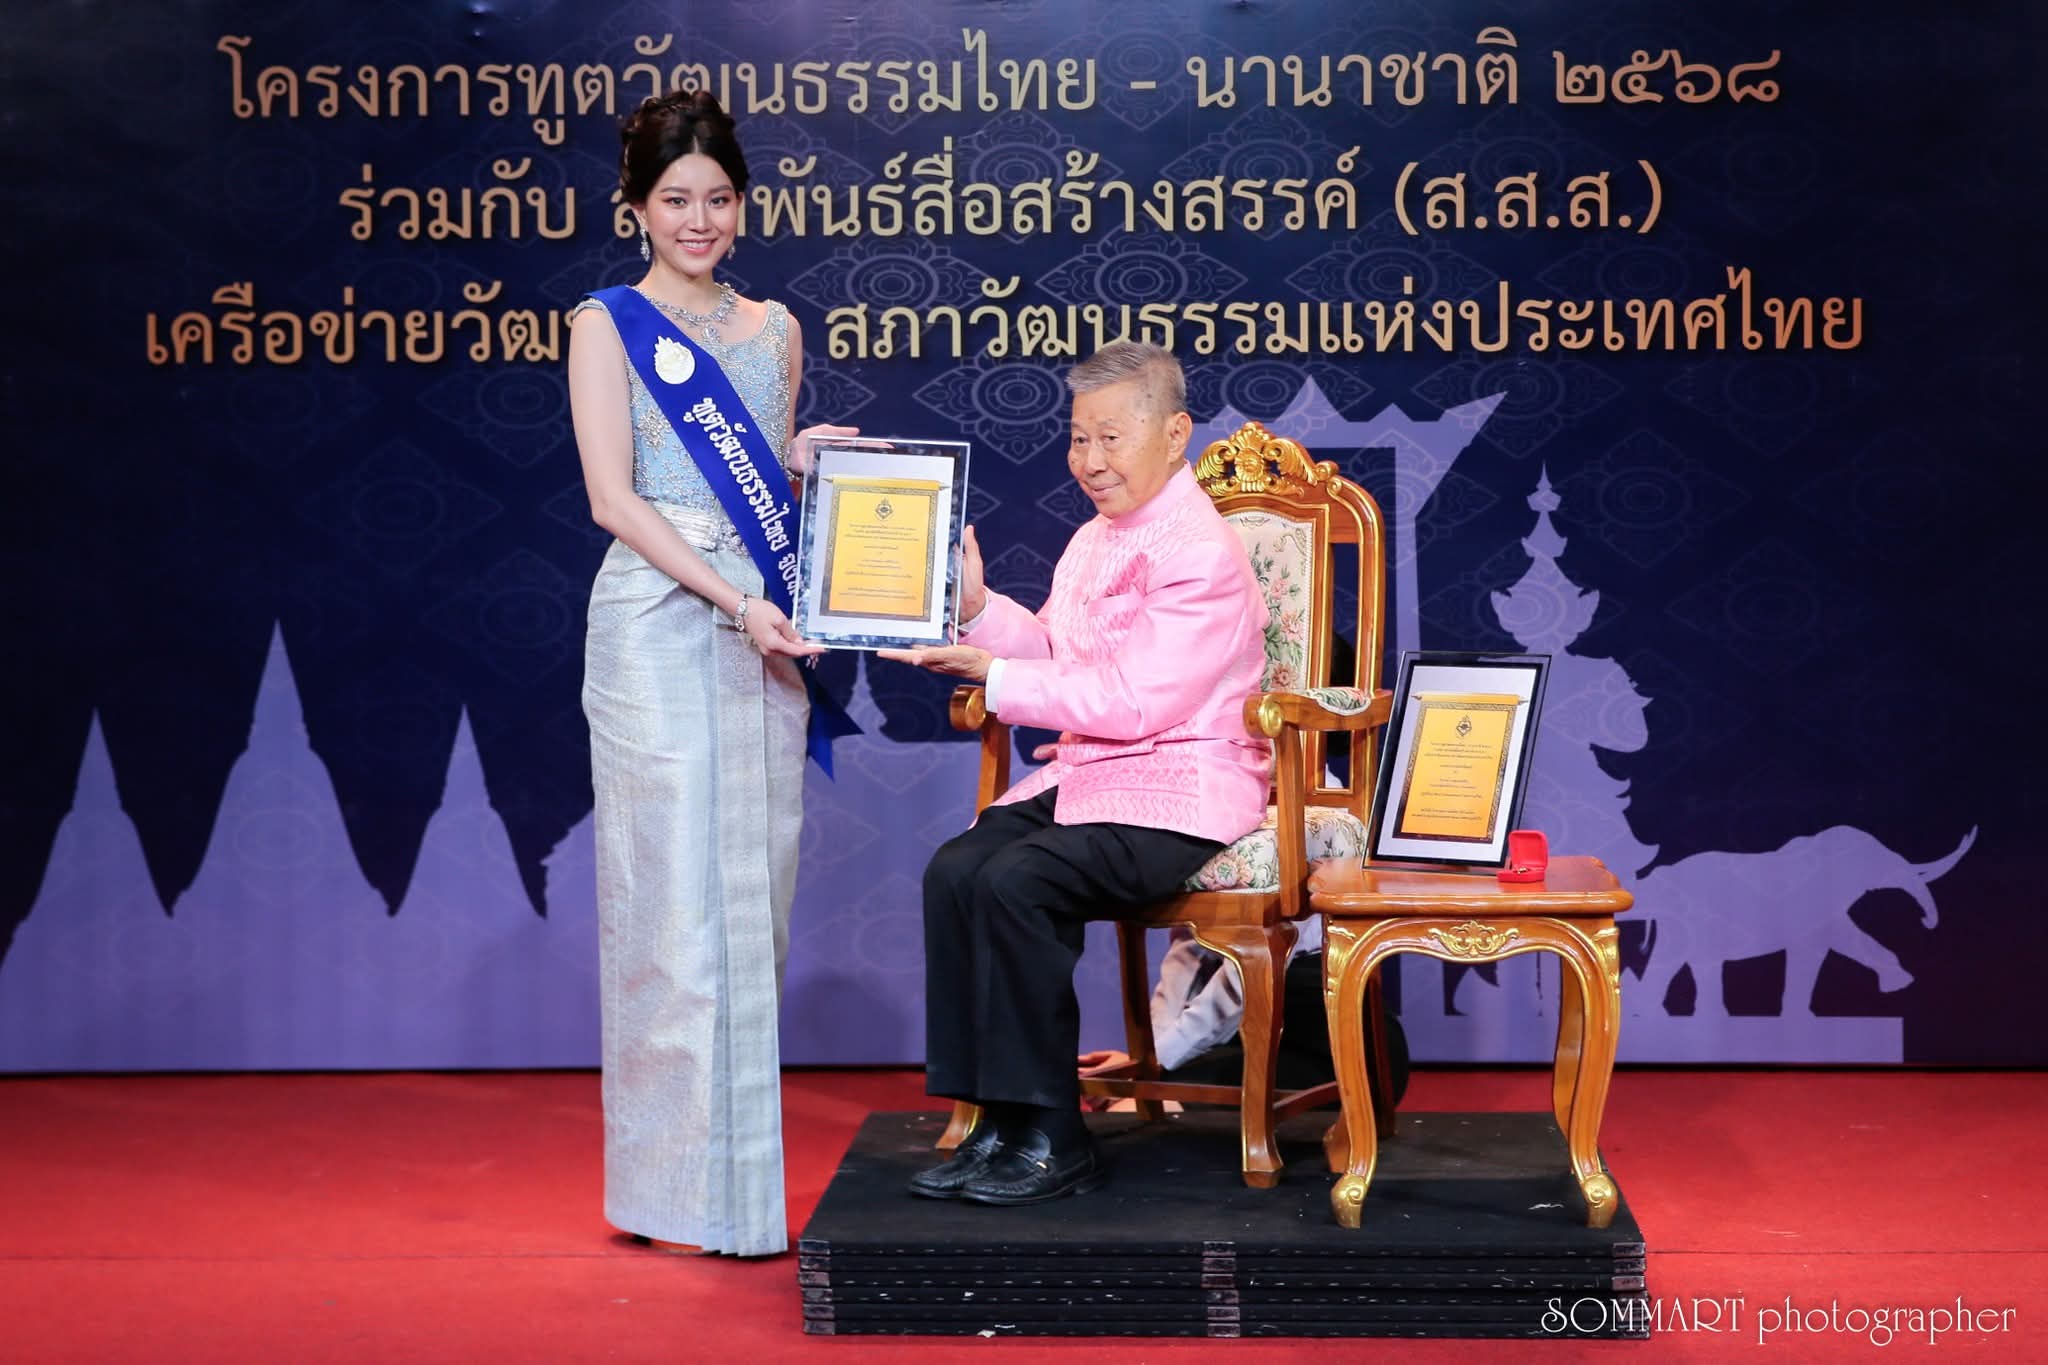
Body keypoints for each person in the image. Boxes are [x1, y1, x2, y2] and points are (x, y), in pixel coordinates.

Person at [880, 341, 1273, 1206]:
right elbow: (1058, 650)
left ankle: (1054, 1136)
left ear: (1175, 433)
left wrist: (996, 678)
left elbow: (1133, 700)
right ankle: (993, 1122)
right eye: (1078, 438)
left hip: (1181, 792)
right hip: (1095, 778)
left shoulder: (1200, 550)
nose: (1090, 461)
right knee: (958, 867)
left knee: (1017, 879)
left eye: (1110, 439)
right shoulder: (1095, 537)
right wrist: (980, 612)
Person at [566, 89, 854, 1257]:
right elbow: (614, 498)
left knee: (753, 894)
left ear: (742, 205)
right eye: (676, 199)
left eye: (719, 199)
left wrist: (800, 461)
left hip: (764, 626)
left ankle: (737, 1194)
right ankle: (667, 1194)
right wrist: (734, 599)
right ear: (635, 207)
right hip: (659, 621)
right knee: (670, 904)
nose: (699, 220)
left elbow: (759, 475)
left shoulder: (776, 328)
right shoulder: (607, 325)